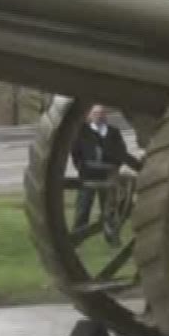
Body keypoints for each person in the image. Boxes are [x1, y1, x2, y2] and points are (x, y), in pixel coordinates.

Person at [70, 104, 140, 244]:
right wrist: (81, 167)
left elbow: (121, 151)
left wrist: (115, 167)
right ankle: (77, 239)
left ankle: (112, 238)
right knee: (83, 209)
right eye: (95, 113)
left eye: (101, 113)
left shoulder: (113, 132)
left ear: (105, 116)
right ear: (90, 116)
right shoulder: (82, 132)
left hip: (108, 175)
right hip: (88, 175)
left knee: (108, 210)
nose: (98, 116)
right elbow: (75, 152)